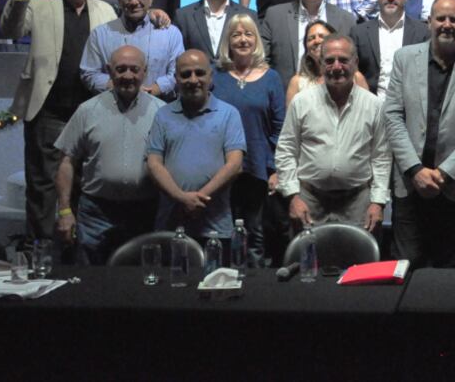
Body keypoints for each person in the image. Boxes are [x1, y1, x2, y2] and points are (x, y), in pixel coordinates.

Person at [0, 0, 117, 240]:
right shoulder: (37, 3)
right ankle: (40, 252)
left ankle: (77, 253)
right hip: (48, 112)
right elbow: (10, 30)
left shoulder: (105, 11)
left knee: (85, 186)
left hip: (91, 114)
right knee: (43, 188)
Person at [384, 0, 455, 267]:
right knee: (406, 266)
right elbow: (393, 116)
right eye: (441, 18)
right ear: (429, 21)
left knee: (449, 271)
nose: (447, 24)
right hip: (410, 185)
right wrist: (415, 169)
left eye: (453, 19)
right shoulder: (404, 59)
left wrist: (444, 173)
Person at [53, 45, 163, 264]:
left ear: (145, 72)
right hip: (96, 213)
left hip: (144, 212)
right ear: (109, 71)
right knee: (91, 276)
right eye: (121, 69)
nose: (128, 76)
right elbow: (66, 162)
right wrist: (64, 211)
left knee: (141, 277)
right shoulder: (87, 110)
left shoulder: (161, 112)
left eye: (134, 69)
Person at [275, 35, 391, 231]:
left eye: (343, 60)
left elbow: (381, 157)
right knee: (308, 252)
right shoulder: (301, 102)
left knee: (358, 252)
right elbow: (286, 150)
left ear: (355, 62)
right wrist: (293, 196)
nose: (336, 67)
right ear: (321, 64)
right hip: (309, 201)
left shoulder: (374, 106)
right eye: (329, 61)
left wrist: (378, 202)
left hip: (358, 203)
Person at [145, 50, 246, 240]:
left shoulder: (229, 114)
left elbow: (235, 164)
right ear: (176, 79)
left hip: (216, 227)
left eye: (199, 73)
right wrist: (181, 198)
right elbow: (153, 164)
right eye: (186, 74)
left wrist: (198, 198)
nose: (193, 80)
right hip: (171, 225)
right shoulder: (162, 115)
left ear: (210, 76)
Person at [212, 14, 286, 267]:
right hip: (220, 168)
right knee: (223, 232)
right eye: (236, 34)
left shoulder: (271, 77)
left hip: (258, 168)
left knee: (255, 234)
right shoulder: (215, 76)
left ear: (256, 40)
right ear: (228, 41)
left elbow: (279, 127)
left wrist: (274, 169)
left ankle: (255, 285)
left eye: (248, 34)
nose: (243, 39)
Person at [80, 0, 184, 98]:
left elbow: (179, 72)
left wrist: (153, 90)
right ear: (119, 0)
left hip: (159, 106)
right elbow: (89, 73)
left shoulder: (170, 34)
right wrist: (122, 88)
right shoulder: (100, 34)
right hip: (112, 106)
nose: (134, 2)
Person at [260, 0, 356, 90]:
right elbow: (261, 61)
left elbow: (353, 64)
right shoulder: (275, 16)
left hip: (336, 96)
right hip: (286, 95)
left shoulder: (346, 19)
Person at [350, 0, 430, 97]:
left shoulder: (423, 32)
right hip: (370, 104)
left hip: (409, 105)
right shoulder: (359, 33)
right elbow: (352, 71)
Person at [286, 20, 368, 104]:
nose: (317, 41)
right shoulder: (297, 82)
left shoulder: (356, 78)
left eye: (322, 36)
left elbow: (367, 109)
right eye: (311, 39)